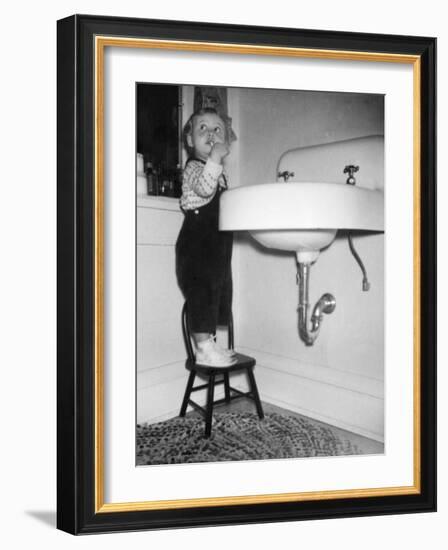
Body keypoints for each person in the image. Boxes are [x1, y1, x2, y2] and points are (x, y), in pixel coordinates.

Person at [175, 108, 237, 367]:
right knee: (201, 292)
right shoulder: (193, 168)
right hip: (196, 245)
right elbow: (203, 187)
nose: (211, 133)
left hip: (216, 246)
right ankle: (202, 348)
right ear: (190, 140)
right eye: (203, 128)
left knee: (216, 292)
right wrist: (214, 159)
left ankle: (209, 343)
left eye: (217, 129)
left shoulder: (219, 173)